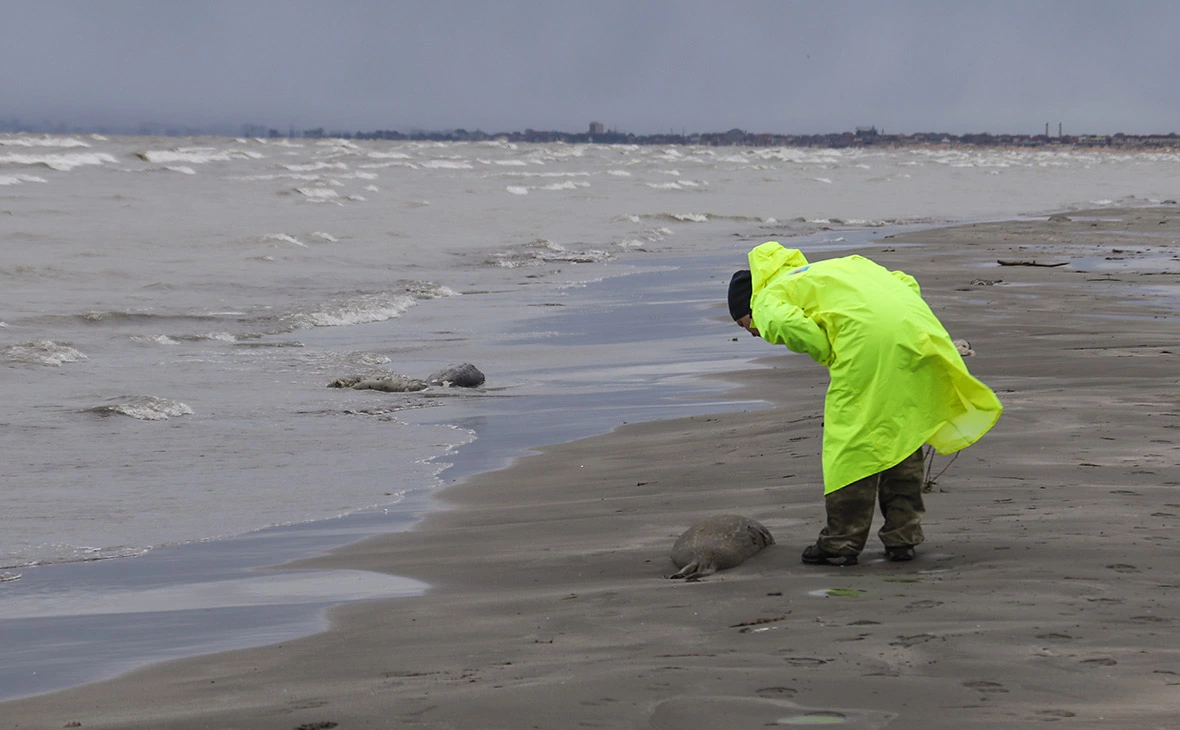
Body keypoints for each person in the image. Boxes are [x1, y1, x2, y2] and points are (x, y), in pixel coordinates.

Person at [727, 241, 1003, 566]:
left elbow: (789, 325)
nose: (752, 332)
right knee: (903, 428)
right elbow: (905, 281)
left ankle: (841, 543)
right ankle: (903, 538)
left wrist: (828, 350)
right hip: (916, 330)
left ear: (748, 306)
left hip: (868, 344)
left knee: (851, 440)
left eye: (744, 324)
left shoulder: (767, 297)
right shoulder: (833, 268)